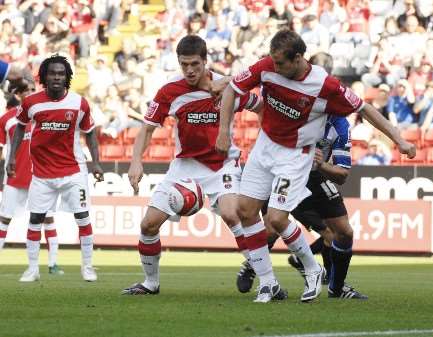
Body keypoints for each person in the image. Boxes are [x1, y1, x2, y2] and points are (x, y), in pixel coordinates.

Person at [216, 29, 416, 303]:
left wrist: (399, 139)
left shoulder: (326, 86)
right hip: (265, 146)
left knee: (276, 220)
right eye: (272, 61)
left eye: (280, 63)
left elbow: (365, 110)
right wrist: (224, 131)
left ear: (298, 58)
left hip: (296, 155)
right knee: (245, 211)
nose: (273, 67)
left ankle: (312, 268)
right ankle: (268, 283)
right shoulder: (267, 66)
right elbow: (232, 88)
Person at [122, 35, 264, 296]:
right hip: (185, 166)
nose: (189, 70)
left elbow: (260, 106)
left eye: (195, 64)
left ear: (205, 61)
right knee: (148, 225)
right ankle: (150, 283)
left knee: (234, 214)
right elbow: (147, 129)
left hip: (222, 165)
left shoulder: (227, 87)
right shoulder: (169, 91)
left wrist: (270, 140)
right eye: (184, 64)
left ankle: (265, 277)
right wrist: (135, 161)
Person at [237, 52, 367, 300]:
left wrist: (322, 166)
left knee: (340, 232)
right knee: (272, 226)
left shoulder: (340, 125)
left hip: (314, 177)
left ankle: (333, 285)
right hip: (286, 170)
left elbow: (342, 174)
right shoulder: (294, 102)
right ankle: (256, 266)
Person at [6, 55, 104, 282]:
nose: (57, 77)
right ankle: (32, 269)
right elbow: (20, 128)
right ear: (44, 77)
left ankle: (87, 267)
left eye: (61, 73)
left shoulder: (80, 103)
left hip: (73, 171)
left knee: (82, 216)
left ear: (67, 76)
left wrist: (96, 162)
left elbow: (90, 133)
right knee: (35, 220)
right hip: (41, 173)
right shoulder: (31, 103)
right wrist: (12, 157)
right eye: (52, 73)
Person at [0, 78, 64, 275]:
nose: (32, 92)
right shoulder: (6, 120)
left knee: (48, 220)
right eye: (27, 90)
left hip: (42, 177)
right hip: (15, 176)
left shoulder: (45, 115)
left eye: (34, 89)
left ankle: (53, 264)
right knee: (4, 219)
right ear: (18, 94)